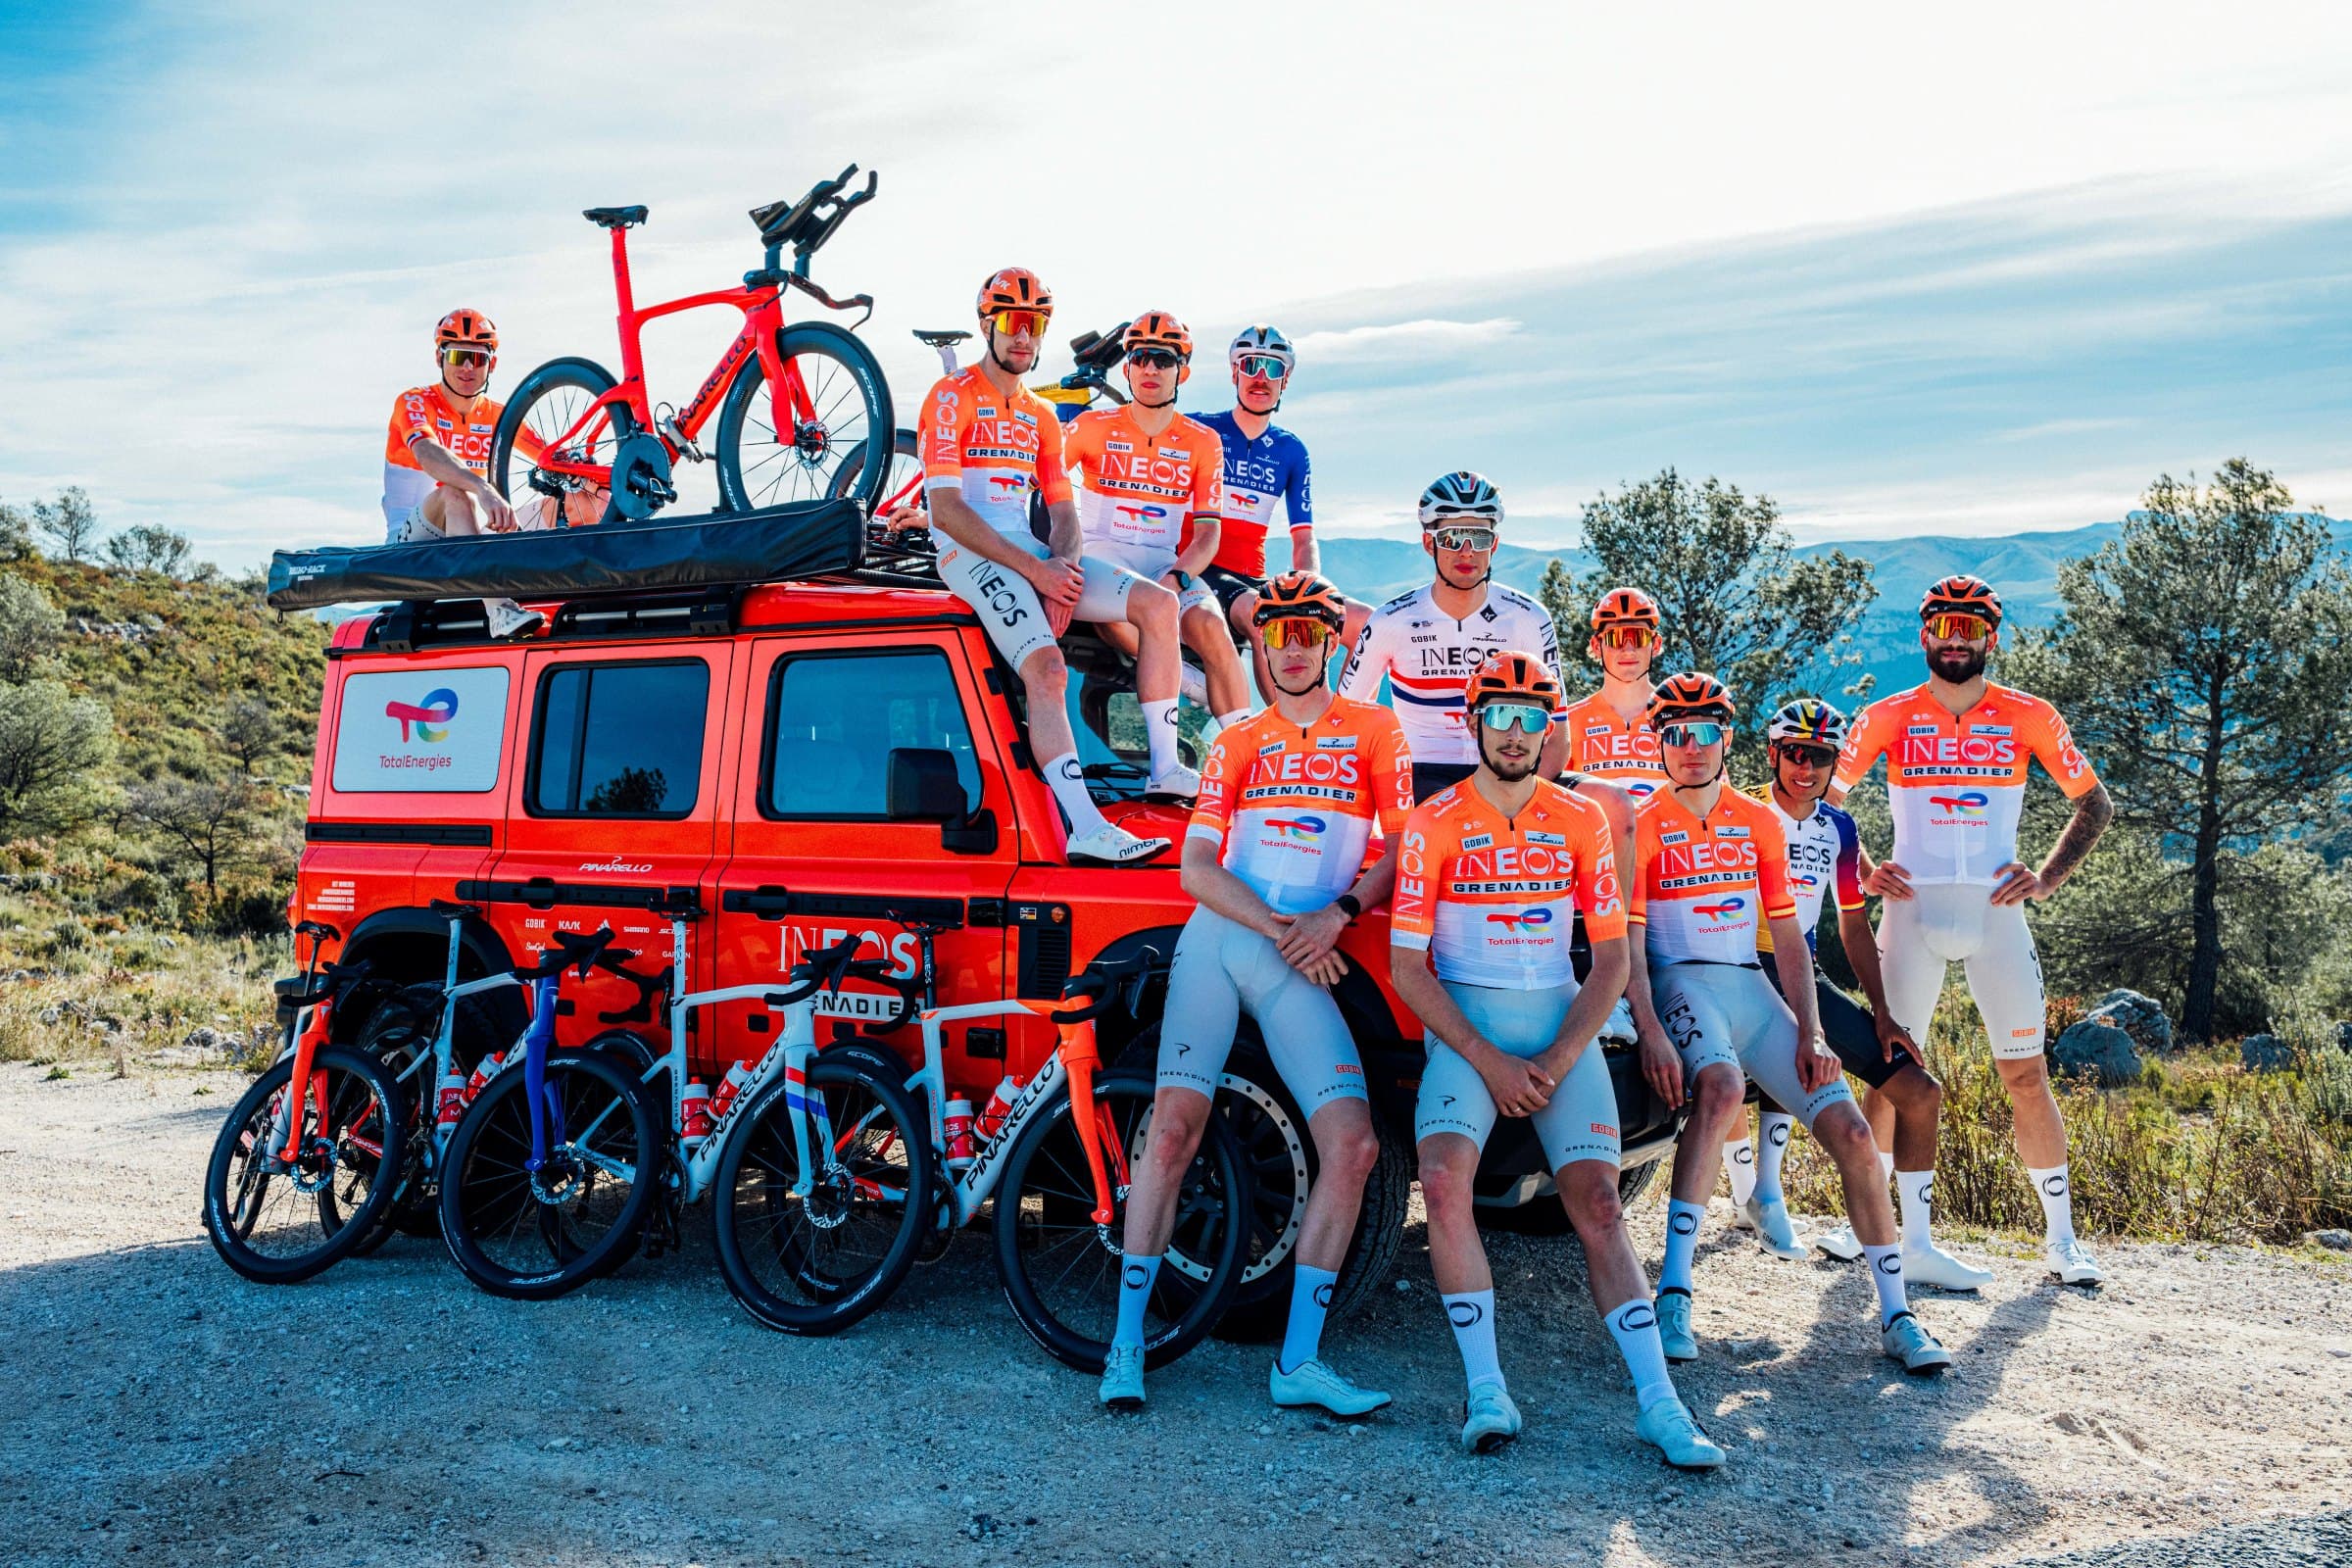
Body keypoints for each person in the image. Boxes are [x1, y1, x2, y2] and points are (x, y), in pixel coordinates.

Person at [1391, 650, 1724, 1466]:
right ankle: (1486, 1388)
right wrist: (1490, 1061)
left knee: (1601, 1207)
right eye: (1499, 715)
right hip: (1469, 1030)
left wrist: (1561, 1053)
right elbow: (1407, 966)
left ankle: (1660, 1403)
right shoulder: (1431, 823)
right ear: (1476, 723)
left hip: (1556, 1029)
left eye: (1532, 718)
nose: (1514, 733)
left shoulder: (1579, 820)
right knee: (1440, 1182)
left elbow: (1610, 960)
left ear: (1549, 733)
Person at [1101, 573, 1411, 1415]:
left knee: (1353, 1149)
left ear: (1332, 641)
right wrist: (1291, 932)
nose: (1295, 646)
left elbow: (1398, 848)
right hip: (1231, 946)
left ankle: (1298, 1364)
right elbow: (1198, 870)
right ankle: (1126, 1346)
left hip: (1302, 954)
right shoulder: (1237, 738)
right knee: (1170, 1134)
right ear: (1264, 645)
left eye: (1310, 631)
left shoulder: (1378, 732)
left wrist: (1342, 914)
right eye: (1280, 634)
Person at [1625, 672, 1951, 1374]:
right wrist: (1649, 1026)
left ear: (1728, 740)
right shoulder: (1639, 822)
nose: (1690, 748)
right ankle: (1674, 1292)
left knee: (1855, 1132)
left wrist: (1812, 1032)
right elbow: (1627, 939)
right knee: (1716, 1091)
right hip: (1681, 979)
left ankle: (1897, 1314)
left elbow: (1790, 935)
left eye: (1705, 732)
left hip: (1751, 984)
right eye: (1676, 734)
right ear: (1659, 741)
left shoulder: (1759, 822)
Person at [1829, 575, 2114, 1285]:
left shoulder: (2028, 715)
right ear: (1925, 636)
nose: (1956, 639)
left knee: (2024, 1073)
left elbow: (2095, 803)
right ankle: (1868, 1226)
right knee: (1891, 1071)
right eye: (1944, 628)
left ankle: (2062, 1242)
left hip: (1996, 915)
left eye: (1971, 629)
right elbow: (1823, 800)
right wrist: (1861, 867)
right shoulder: (1888, 715)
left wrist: (2045, 878)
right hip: (1912, 909)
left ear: (1991, 638)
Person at [920, 269, 1189, 864]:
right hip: (969, 548)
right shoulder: (951, 396)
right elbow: (945, 509)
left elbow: (1062, 512)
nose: (1025, 337)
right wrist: (1038, 574)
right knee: (1046, 670)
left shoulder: (1041, 414)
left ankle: (1166, 768)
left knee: (1159, 603)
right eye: (1014, 323)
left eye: (1036, 325)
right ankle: (1086, 826)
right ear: (986, 325)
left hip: (1034, 552)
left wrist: (1063, 575)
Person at [1742, 700, 1993, 1290]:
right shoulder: (1740, 809)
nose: (1806, 767)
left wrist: (1883, 1015)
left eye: (1821, 757)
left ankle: (1919, 1245)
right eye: (1795, 753)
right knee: (1744, 1084)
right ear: (1774, 754)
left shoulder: (1841, 828)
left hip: (1803, 967)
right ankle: (1757, 1199)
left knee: (1920, 1091)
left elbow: (1853, 924)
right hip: (1740, 965)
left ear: (1834, 764)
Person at [1061, 312, 1252, 732]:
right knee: (1117, 610)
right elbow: (1031, 480)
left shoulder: (1203, 441)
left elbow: (1207, 535)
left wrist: (1178, 578)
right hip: (1105, 557)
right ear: (1127, 367)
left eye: (1163, 360)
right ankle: (1186, 683)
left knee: (1211, 627)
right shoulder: (1092, 426)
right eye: (1141, 357)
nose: (1151, 369)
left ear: (1181, 372)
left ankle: (1251, 752)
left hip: (1165, 565)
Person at [1341, 471, 1563, 801]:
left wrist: (1517, 806)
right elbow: (1346, 722)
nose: (1467, 551)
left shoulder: (1528, 618)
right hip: (1420, 772)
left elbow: (1558, 738)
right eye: (1453, 537)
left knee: (1612, 803)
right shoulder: (1390, 620)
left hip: (1510, 774)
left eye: (1480, 538)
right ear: (1429, 542)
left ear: (1495, 545)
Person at [381, 308, 596, 640]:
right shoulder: (414, 401)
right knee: (457, 492)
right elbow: (427, 454)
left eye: (477, 359)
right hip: (408, 548)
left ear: (491, 364)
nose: (467, 367)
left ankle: (594, 598)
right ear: (440, 358)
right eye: (458, 356)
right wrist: (483, 488)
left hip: (468, 541)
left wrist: (592, 474)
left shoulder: (497, 416)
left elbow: (551, 458)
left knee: (576, 499)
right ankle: (499, 611)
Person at [1192, 325, 1370, 700]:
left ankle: (1344, 723)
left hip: (1256, 577)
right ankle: (1285, 736)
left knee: (1368, 625)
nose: (1261, 378)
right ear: (1234, 373)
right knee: (1265, 623)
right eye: (1251, 365)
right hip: (1205, 570)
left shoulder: (1291, 450)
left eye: (1273, 369)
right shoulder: (1201, 429)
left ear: (1285, 379)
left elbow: (1303, 536)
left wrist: (1310, 588)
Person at [1557, 587, 1672, 806]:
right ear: (1596, 646)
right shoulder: (1567, 723)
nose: (1628, 649)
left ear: (1655, 645)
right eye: (1615, 638)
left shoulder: (1679, 716)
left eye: (1638, 637)